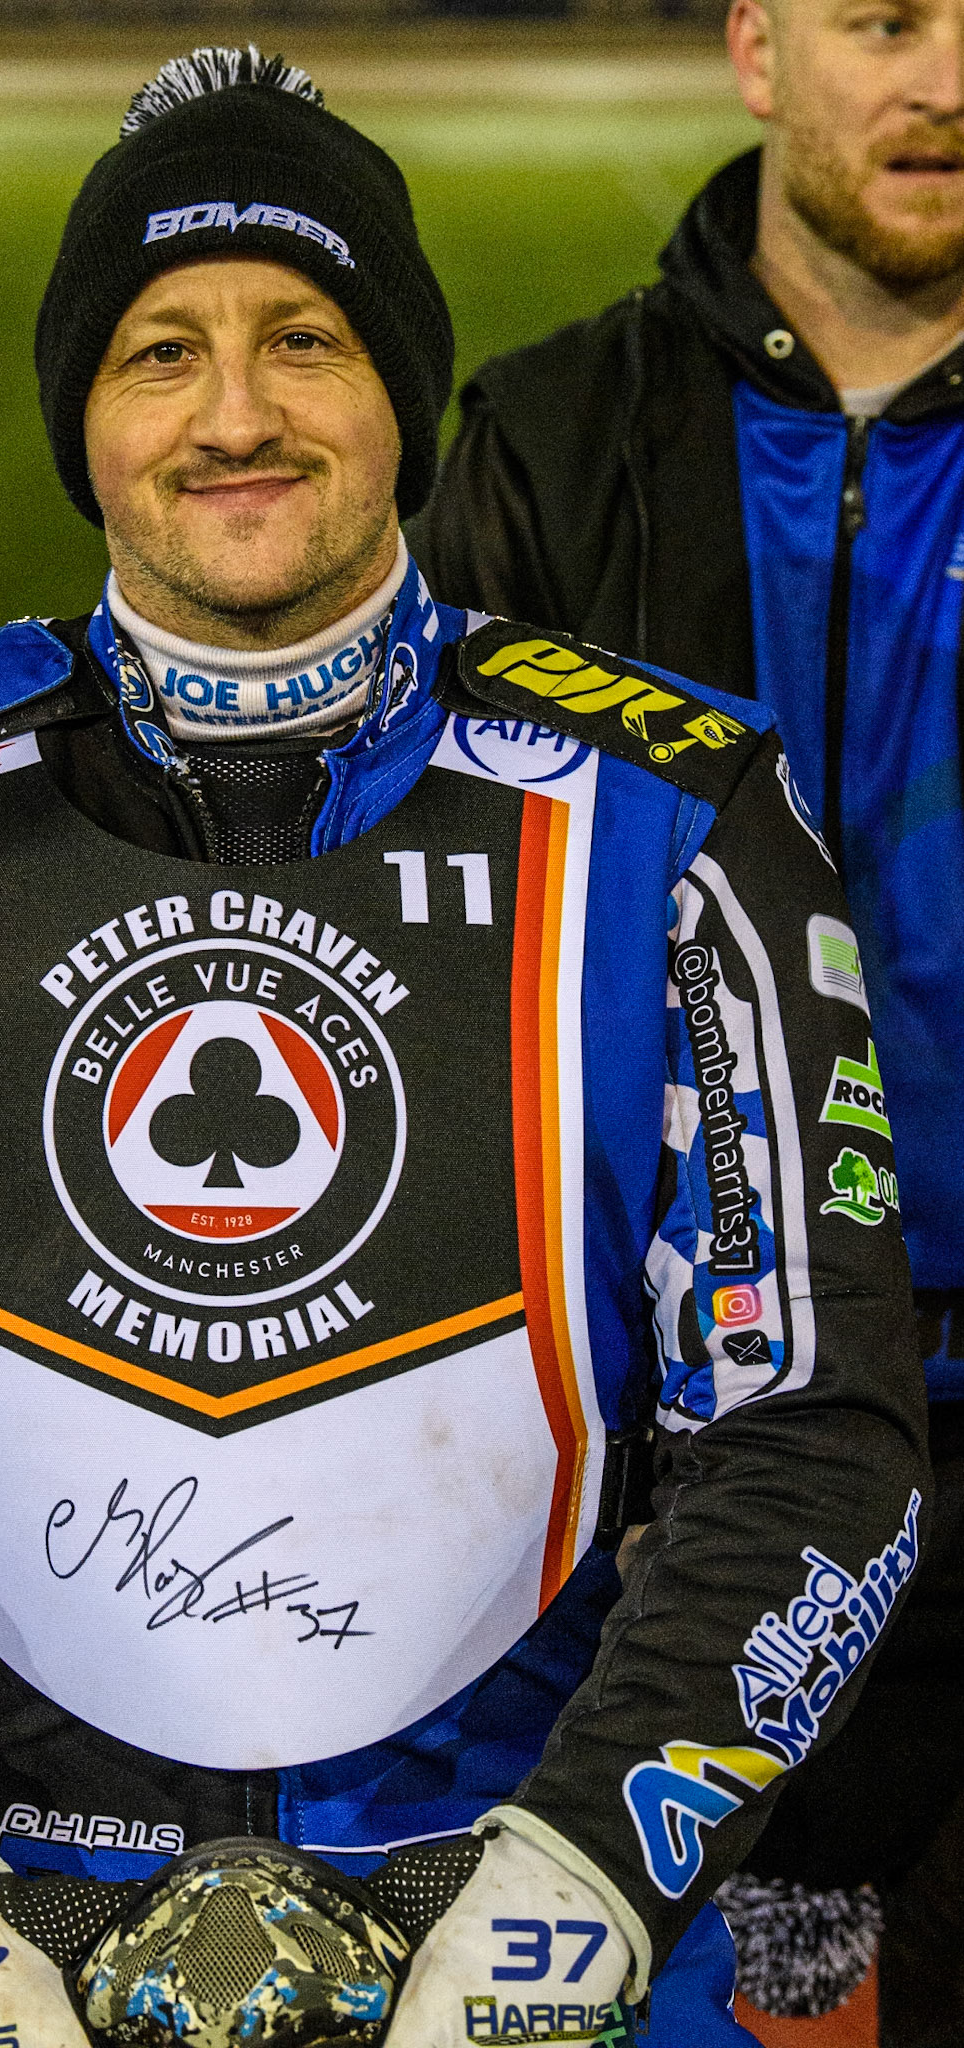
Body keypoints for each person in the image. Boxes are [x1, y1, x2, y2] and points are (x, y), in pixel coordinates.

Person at [0, 46, 927, 2048]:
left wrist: (572, 1893)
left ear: (402, 389)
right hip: (7, 1928)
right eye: (161, 352)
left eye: (303, 337)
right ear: (82, 417)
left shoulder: (678, 810)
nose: (235, 413)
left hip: (540, 1922)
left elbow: (810, 1424)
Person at [406, 3, 964, 2029]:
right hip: (670, 1460)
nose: (945, 81)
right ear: (754, 47)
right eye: (881, 19)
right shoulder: (551, 437)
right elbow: (426, 955)